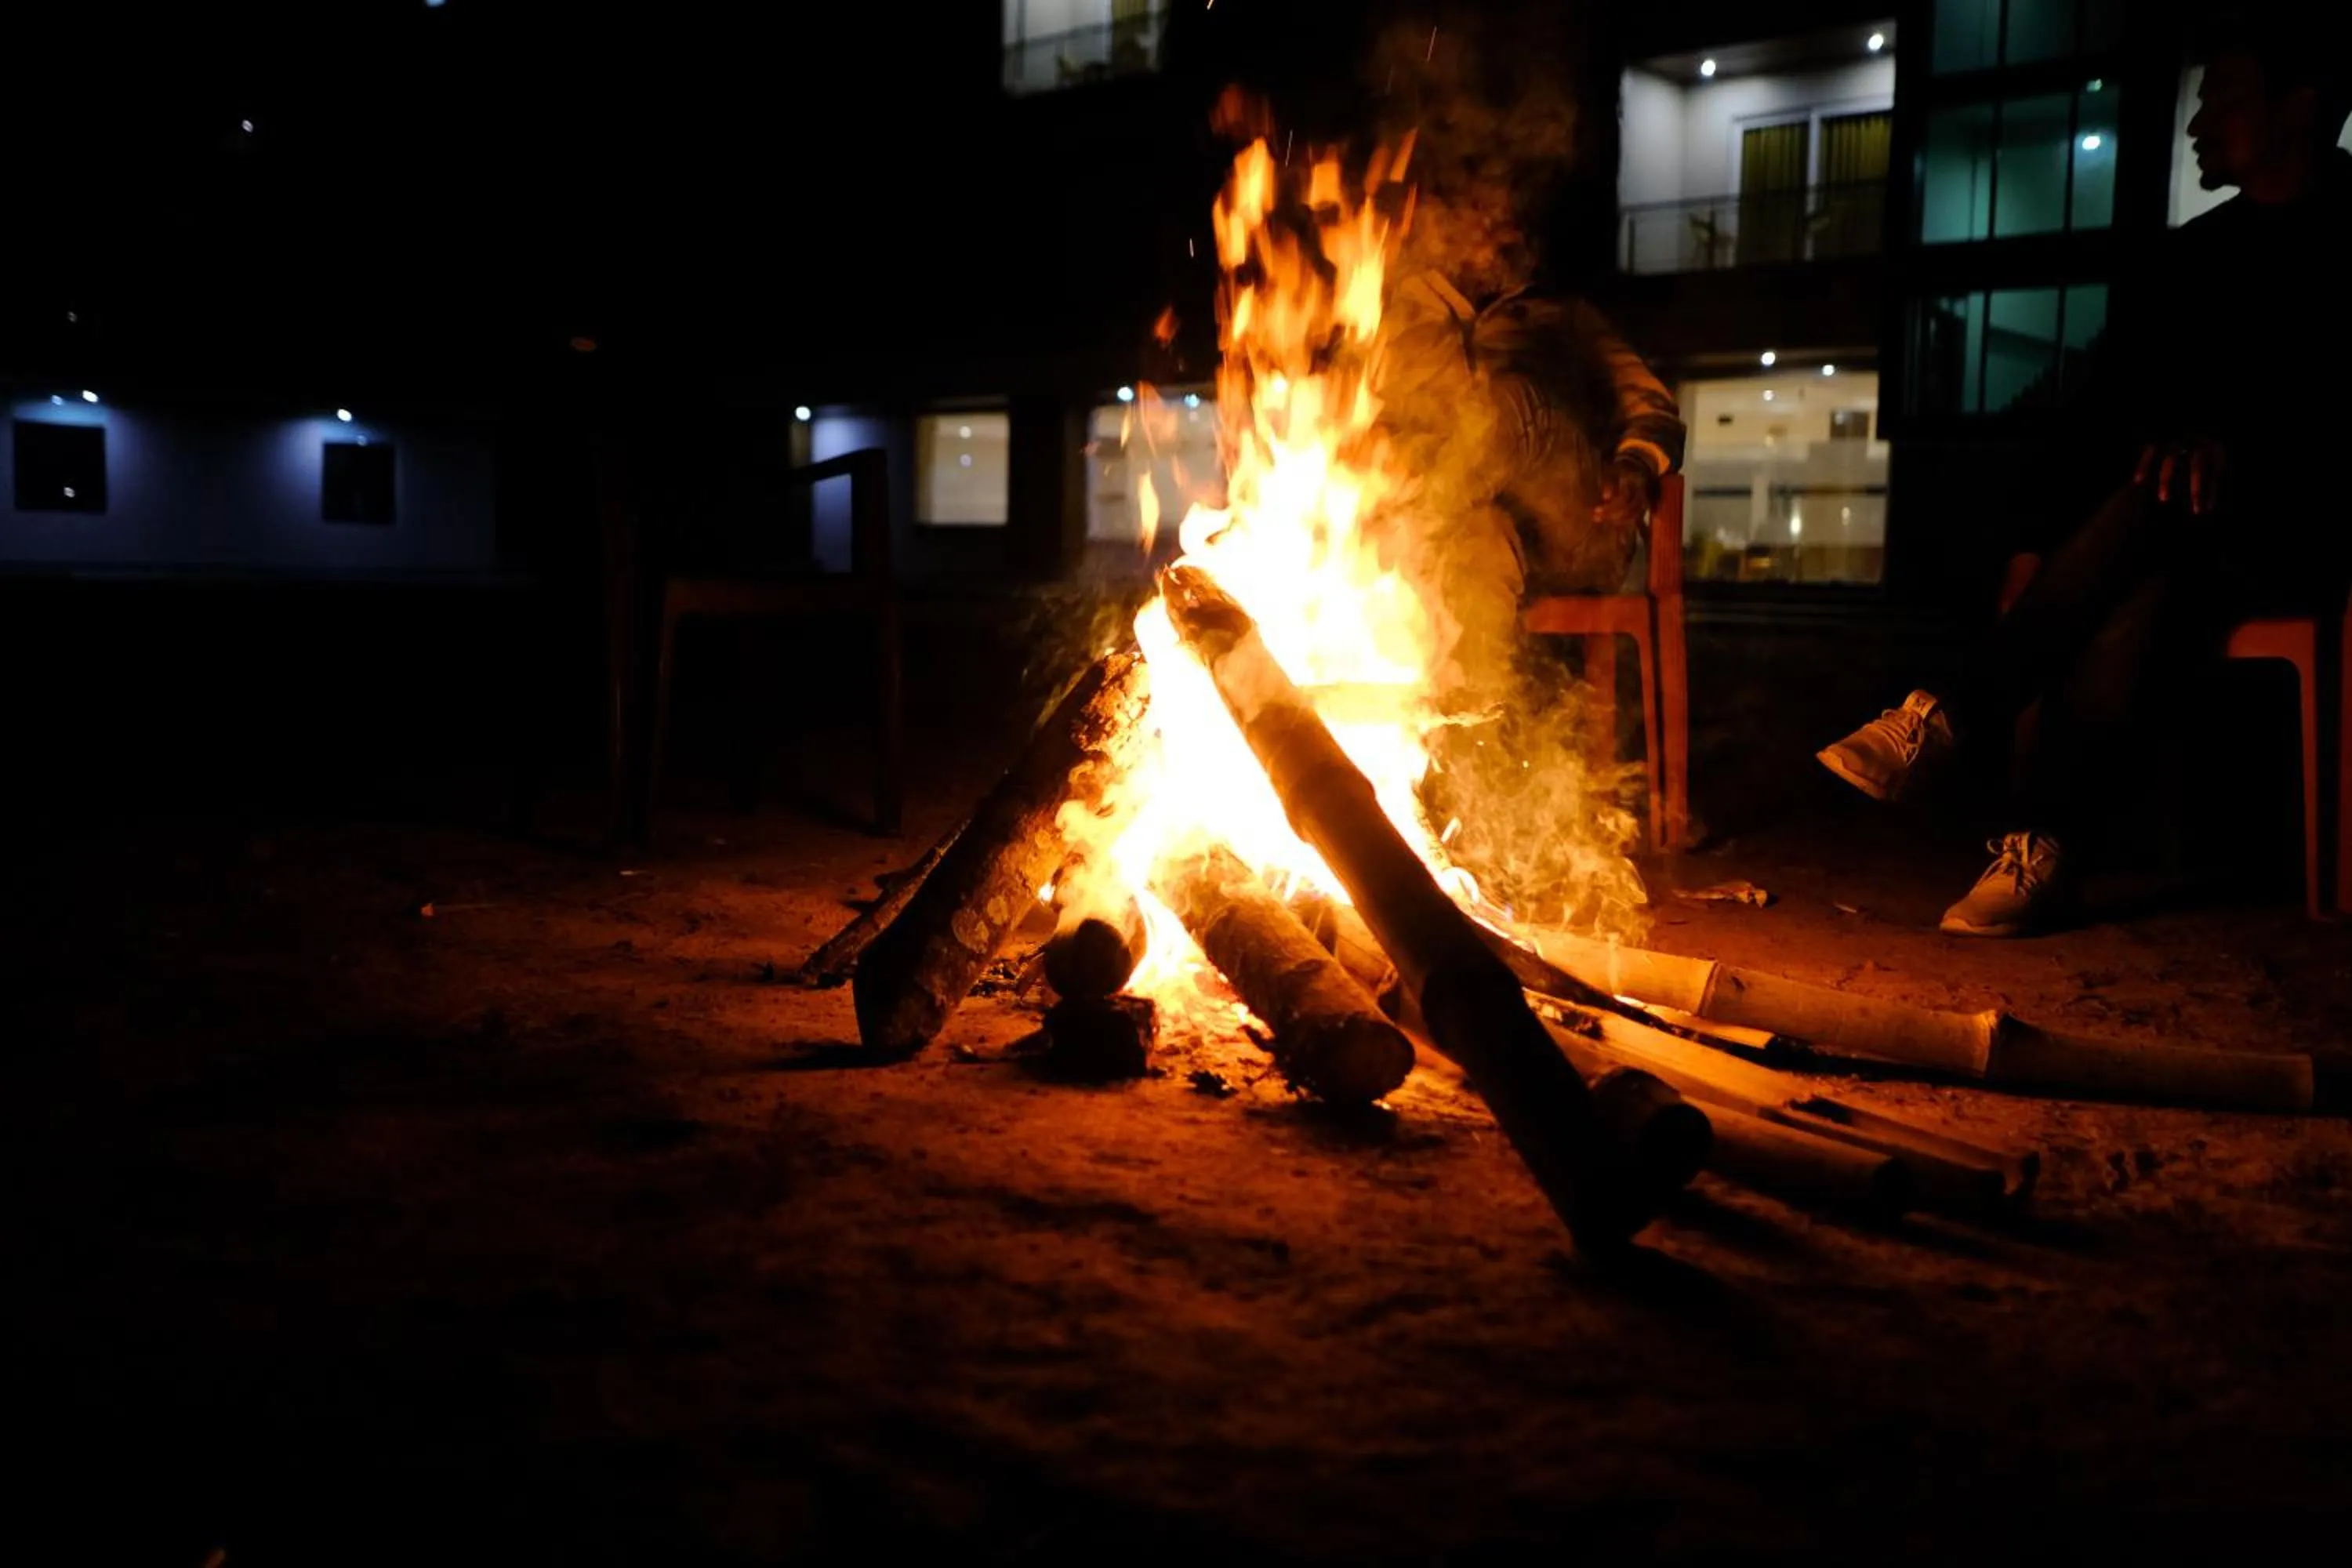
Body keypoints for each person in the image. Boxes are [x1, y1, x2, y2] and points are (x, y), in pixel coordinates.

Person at [1815, 13, 2352, 936]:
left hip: (2308, 522)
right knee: (2145, 569)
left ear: (2301, 106)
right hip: (2178, 536)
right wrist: (2035, 545)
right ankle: (2039, 847)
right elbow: (2102, 411)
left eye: (2223, 98)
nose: (2196, 125)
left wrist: (2238, 451)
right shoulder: (2195, 258)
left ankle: (1957, 721)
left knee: (2157, 509)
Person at [1376, 267, 1686, 698]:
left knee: (1515, 407)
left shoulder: (1558, 316)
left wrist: (1635, 464)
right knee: (1478, 545)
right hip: (1482, 536)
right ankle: (1466, 733)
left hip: (1582, 522)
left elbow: (1655, 411)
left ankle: (1401, 537)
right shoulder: (1409, 312)